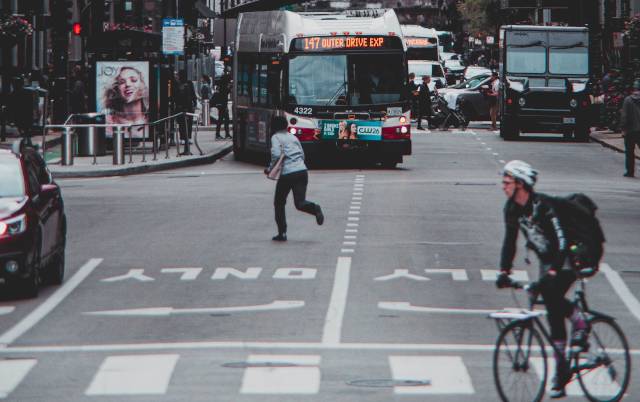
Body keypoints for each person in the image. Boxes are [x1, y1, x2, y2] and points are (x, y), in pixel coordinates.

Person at [496, 160, 590, 399]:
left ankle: (579, 320)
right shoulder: (512, 209)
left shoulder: (544, 207)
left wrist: (552, 272)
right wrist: (504, 271)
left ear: (521, 184)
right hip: (547, 260)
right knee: (552, 311)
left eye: (507, 182)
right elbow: (510, 240)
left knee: (551, 295)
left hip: (570, 256)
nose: (503, 186)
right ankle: (561, 370)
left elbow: (560, 241)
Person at [264, 116, 324, 241]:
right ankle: (315, 208)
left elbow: (275, 154)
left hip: (287, 174)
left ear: (274, 127)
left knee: (279, 203)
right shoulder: (293, 137)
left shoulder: (276, 137)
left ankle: (282, 233)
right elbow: (302, 154)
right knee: (300, 203)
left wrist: (270, 169)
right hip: (302, 171)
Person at [103, 66, 149, 137]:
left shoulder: (151, 120)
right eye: (122, 82)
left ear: (142, 85)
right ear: (116, 89)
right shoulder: (108, 122)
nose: (128, 84)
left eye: (133, 80)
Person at [620, 79, 640, 178]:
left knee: (629, 152)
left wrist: (623, 128)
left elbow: (624, 116)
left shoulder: (628, 100)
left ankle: (630, 171)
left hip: (630, 130)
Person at [172, 71, 197, 143]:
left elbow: (193, 94)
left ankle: (187, 137)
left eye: (178, 75)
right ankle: (183, 138)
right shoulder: (177, 84)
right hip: (181, 106)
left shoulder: (188, 83)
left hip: (187, 106)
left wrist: (194, 104)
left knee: (188, 123)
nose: (177, 76)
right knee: (182, 123)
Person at [214, 70, 231, 140]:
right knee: (225, 119)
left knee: (220, 119)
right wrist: (229, 88)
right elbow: (225, 96)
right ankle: (225, 134)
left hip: (220, 105)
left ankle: (219, 134)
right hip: (223, 105)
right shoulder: (224, 87)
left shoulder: (219, 85)